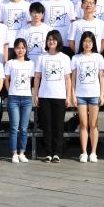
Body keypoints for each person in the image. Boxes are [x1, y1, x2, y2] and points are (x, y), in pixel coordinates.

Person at [38, 31, 74, 163]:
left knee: (58, 126)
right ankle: (48, 152)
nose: (51, 42)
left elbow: (68, 79)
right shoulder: (42, 57)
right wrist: (36, 94)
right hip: (44, 96)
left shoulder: (65, 58)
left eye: (54, 39)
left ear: (58, 41)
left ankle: (57, 153)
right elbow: (37, 77)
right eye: (49, 39)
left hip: (59, 96)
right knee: (47, 126)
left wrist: (68, 96)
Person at [71, 32, 104, 163]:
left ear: (93, 43)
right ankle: (84, 152)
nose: (87, 44)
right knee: (83, 124)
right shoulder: (76, 58)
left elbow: (101, 78)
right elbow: (73, 79)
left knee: (93, 124)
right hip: (80, 95)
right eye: (85, 41)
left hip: (94, 95)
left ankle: (93, 152)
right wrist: (73, 95)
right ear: (81, 43)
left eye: (90, 42)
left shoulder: (98, 57)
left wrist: (102, 95)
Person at [5, 38, 38, 163]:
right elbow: (6, 80)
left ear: (26, 49)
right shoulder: (10, 63)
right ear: (14, 49)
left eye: (23, 48)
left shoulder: (30, 64)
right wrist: (10, 91)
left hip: (26, 98)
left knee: (24, 128)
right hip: (13, 98)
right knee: (14, 127)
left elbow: (31, 81)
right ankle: (14, 153)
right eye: (18, 47)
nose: (20, 50)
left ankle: (22, 153)